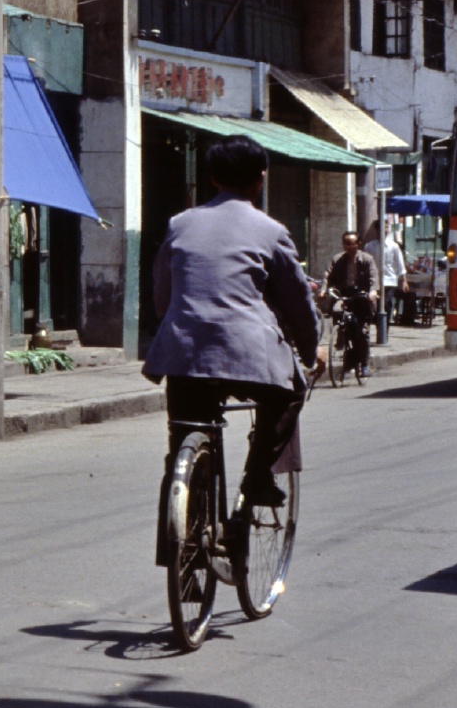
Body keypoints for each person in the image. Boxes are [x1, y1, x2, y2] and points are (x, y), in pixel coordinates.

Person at [143, 137, 321, 562]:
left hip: (182, 353)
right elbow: (298, 303)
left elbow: (162, 293)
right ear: (261, 180)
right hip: (248, 353)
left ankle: (182, 550)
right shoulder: (271, 230)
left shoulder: (179, 224)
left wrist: (176, 328)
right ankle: (258, 477)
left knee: (182, 441)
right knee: (291, 390)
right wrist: (311, 352)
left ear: (212, 179)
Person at [325, 228, 379, 373]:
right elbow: (328, 276)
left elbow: (373, 278)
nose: (348, 246)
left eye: (351, 243)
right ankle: (340, 336)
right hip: (344, 295)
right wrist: (324, 289)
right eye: (345, 243)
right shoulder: (338, 259)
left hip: (361, 297)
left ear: (358, 244)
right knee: (337, 309)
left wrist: (373, 291)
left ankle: (364, 363)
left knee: (362, 332)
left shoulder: (367, 259)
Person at [379, 224, 407, 324]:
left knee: (387, 304)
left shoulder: (393, 246)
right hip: (375, 282)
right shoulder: (370, 246)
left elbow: (400, 264)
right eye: (383, 227)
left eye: (387, 228)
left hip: (389, 281)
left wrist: (404, 280)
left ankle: (385, 328)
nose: (385, 230)